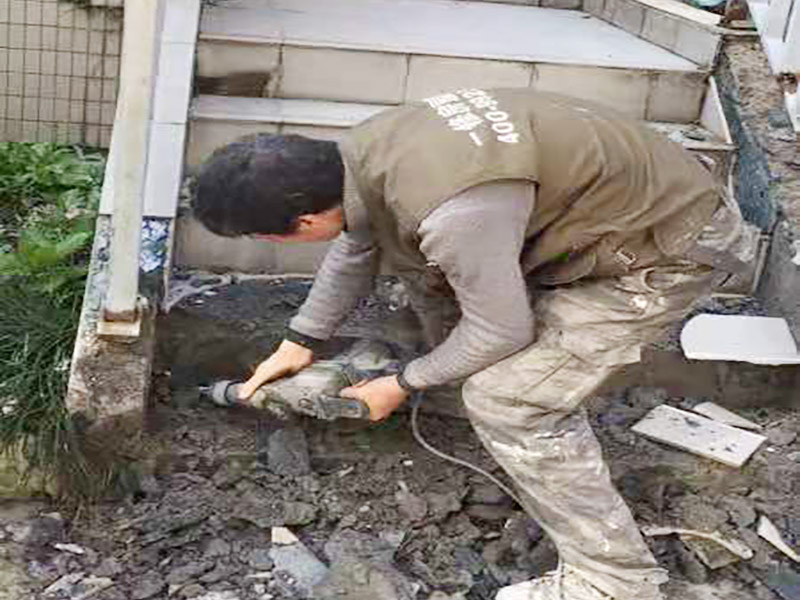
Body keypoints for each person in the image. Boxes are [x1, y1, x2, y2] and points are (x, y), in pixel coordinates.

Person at [192, 88, 754, 600]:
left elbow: (502, 331)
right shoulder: (360, 153)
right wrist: (300, 340)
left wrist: (402, 382)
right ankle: (454, 396)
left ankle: (614, 580)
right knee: (426, 277)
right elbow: (358, 242)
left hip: (665, 247)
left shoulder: (453, 213)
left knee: (510, 400)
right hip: (605, 210)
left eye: (265, 236)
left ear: (306, 220)